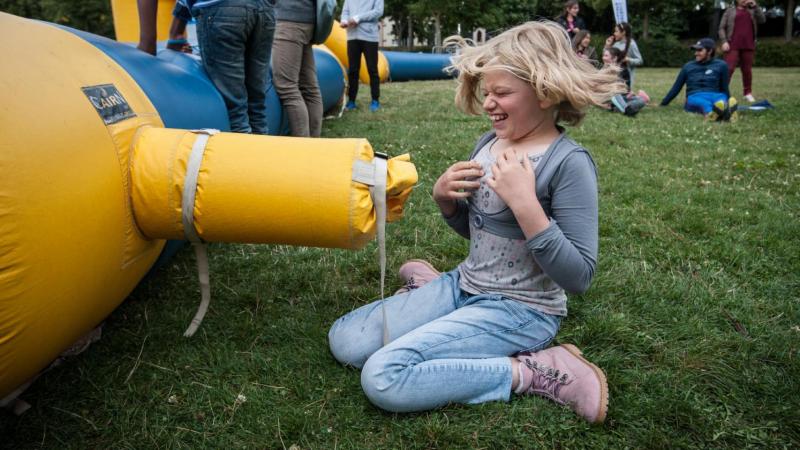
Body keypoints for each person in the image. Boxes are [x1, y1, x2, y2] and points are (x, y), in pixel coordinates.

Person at [328, 21, 625, 423]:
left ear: (546, 91)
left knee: (383, 376)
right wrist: (447, 203)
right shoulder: (489, 143)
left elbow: (580, 277)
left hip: (521, 310)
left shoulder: (568, 164)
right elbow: (479, 233)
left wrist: (527, 206)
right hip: (463, 285)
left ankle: (531, 371)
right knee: (345, 341)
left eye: (502, 93)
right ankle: (430, 291)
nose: (488, 103)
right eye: (487, 92)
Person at [172, 0, 276, 134]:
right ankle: (261, 150)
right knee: (257, 106)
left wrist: (176, 33)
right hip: (263, 10)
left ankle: (243, 152)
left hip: (222, 11)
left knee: (235, 109)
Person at [272, 0, 323, 137]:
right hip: (308, 17)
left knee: (287, 86)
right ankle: (313, 143)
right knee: (310, 88)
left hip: (288, 19)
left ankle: (302, 147)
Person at [660, 38, 737, 122]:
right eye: (695, 50)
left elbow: (724, 87)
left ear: (710, 51)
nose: (696, 53)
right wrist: (663, 103)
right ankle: (712, 114)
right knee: (704, 104)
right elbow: (676, 87)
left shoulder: (722, 65)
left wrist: (728, 98)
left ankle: (727, 110)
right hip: (695, 96)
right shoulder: (688, 66)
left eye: (700, 50)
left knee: (721, 100)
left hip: (716, 94)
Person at [340, 0, 384, 112]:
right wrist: (344, 20)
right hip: (352, 37)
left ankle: (375, 100)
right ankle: (351, 101)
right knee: (353, 70)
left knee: (372, 69)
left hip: (370, 37)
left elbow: (378, 11)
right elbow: (345, 11)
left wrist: (358, 18)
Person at [719, 0, 766, 102]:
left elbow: (762, 20)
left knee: (747, 70)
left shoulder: (752, 11)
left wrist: (756, 6)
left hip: (748, 44)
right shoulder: (729, 11)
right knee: (728, 69)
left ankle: (747, 93)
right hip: (732, 44)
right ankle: (721, 93)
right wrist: (724, 41)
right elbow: (721, 28)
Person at [601, 48, 650, 117]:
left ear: (615, 58)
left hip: (622, 97)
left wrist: (629, 93)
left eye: (606, 56)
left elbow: (626, 87)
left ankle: (616, 108)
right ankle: (626, 110)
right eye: (603, 55)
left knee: (641, 100)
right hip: (608, 97)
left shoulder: (624, 70)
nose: (603, 58)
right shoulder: (602, 70)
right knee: (614, 92)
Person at [604, 22, 643, 90]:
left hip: (626, 78)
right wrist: (607, 46)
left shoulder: (631, 44)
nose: (614, 33)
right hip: (614, 76)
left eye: (616, 31)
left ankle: (641, 98)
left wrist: (628, 59)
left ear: (623, 32)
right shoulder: (616, 44)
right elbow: (606, 58)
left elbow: (640, 60)